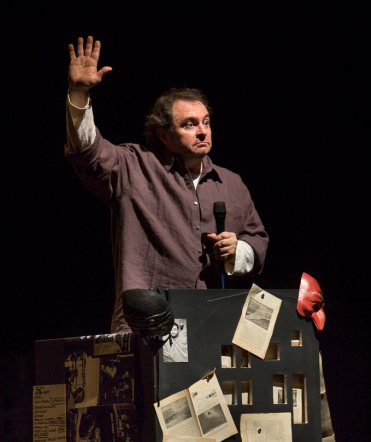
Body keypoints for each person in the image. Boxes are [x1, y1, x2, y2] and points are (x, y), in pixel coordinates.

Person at [66, 36, 269, 332]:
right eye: (189, 124)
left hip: (212, 324)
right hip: (149, 325)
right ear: (163, 135)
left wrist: (237, 251)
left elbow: (257, 239)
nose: (202, 131)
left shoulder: (231, 183)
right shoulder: (134, 166)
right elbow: (88, 151)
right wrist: (79, 93)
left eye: (206, 122)